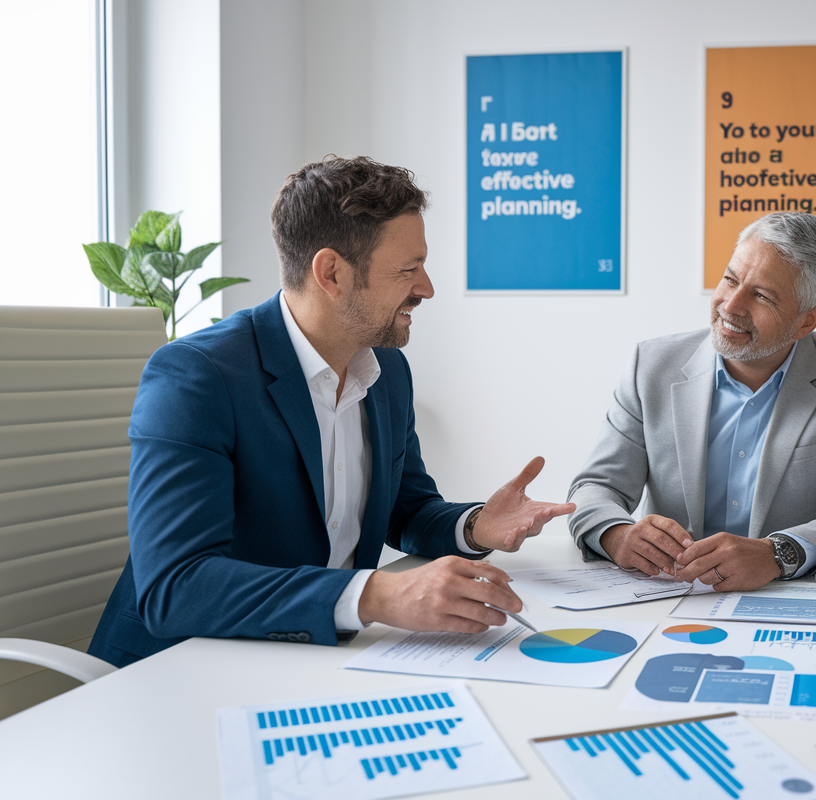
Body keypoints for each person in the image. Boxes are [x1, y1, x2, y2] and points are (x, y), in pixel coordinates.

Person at [89, 156, 574, 668]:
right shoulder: (197, 376)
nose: (426, 287)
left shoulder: (386, 372)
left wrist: (474, 526)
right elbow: (176, 588)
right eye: (408, 269)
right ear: (332, 273)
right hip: (178, 672)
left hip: (308, 661)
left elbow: (406, 511)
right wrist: (379, 596)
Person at [567, 212, 816, 591]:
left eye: (762, 296)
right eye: (730, 279)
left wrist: (776, 554)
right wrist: (618, 535)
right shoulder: (651, 365)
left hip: (782, 594)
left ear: (807, 321)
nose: (731, 306)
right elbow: (595, 486)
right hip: (663, 592)